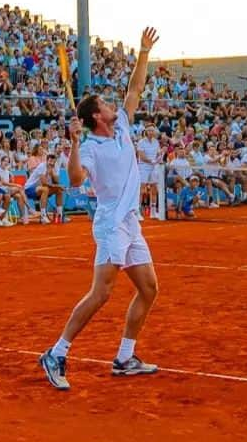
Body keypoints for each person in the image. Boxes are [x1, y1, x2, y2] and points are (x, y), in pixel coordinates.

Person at [40, 27, 161, 391]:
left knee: (150, 288)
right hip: (110, 225)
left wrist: (143, 52)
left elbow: (135, 89)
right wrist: (74, 143)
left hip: (130, 223)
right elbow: (76, 180)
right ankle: (56, 352)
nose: (113, 106)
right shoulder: (89, 145)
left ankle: (125, 357)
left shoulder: (122, 124)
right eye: (106, 106)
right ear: (96, 117)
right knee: (101, 293)